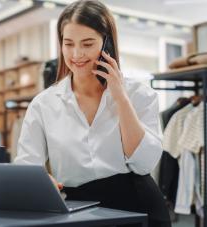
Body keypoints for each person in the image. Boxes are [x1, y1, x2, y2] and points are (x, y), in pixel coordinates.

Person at [14, 1, 170, 226]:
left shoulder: (139, 95)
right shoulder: (43, 105)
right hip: (79, 211)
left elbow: (144, 163)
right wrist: (39, 180)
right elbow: (28, 164)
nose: (77, 54)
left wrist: (120, 98)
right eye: (68, 44)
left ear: (107, 43)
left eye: (87, 43)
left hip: (139, 207)